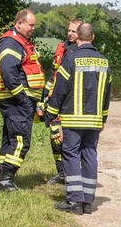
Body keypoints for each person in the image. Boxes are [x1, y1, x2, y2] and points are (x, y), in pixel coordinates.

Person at [45, 22, 111, 215]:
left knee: (71, 154)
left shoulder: (71, 59)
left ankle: (75, 201)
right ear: (93, 37)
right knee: (90, 154)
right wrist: (103, 119)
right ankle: (88, 202)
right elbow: (107, 94)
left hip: (73, 119)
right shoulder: (104, 62)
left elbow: (60, 90)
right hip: (94, 120)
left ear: (78, 37)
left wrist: (51, 113)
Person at [0, 9, 45, 192]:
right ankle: (6, 179)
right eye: (31, 25)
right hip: (16, 100)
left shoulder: (21, 42)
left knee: (10, 138)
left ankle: (3, 177)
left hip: (17, 100)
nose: (33, 28)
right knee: (21, 139)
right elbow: (9, 72)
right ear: (19, 23)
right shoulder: (11, 42)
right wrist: (22, 98)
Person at [41, 19, 83, 186]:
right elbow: (54, 73)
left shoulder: (81, 51)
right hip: (55, 98)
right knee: (55, 137)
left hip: (71, 100)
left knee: (70, 139)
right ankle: (61, 173)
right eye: (69, 30)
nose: (70, 34)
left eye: (74, 31)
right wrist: (46, 93)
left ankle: (71, 172)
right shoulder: (61, 47)